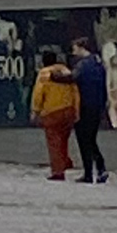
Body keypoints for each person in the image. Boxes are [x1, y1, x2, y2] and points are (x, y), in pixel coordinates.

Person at [31, 48, 80, 180]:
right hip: (68, 110)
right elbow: (75, 91)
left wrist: (36, 111)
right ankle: (65, 162)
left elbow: (38, 94)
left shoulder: (44, 74)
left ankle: (58, 171)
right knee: (64, 139)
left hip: (52, 112)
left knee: (54, 142)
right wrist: (76, 110)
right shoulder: (65, 71)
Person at [71, 37, 110, 184]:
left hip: (84, 106)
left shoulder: (83, 65)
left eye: (75, 48)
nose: (74, 52)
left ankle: (89, 172)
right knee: (91, 139)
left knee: (84, 139)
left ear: (82, 47)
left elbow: (73, 78)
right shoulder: (98, 64)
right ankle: (100, 168)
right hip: (97, 106)